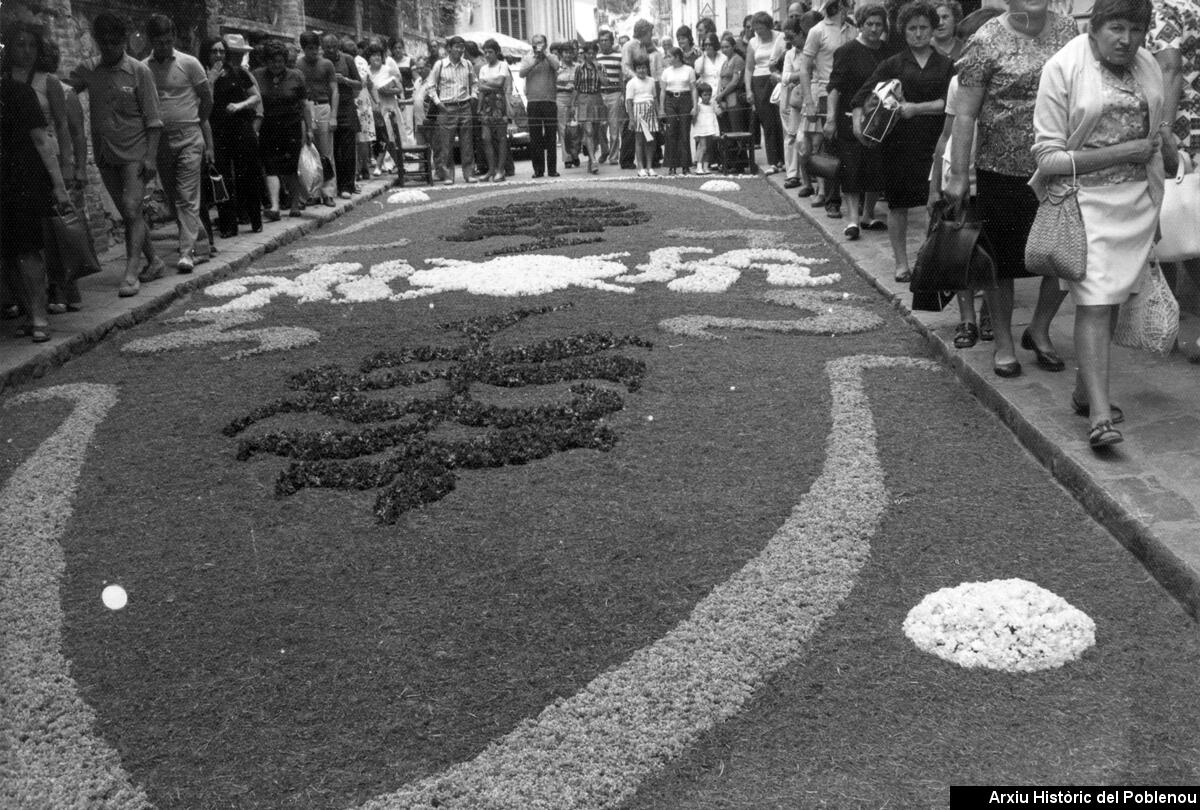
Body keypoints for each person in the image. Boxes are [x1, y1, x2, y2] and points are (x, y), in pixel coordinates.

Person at [1031, 0, 1169, 448]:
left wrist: (1166, 152)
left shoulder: (1145, 63)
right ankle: (1099, 415)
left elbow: (1156, 130)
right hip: (1083, 204)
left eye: (1135, 29)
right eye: (1115, 27)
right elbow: (1048, 156)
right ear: (1094, 28)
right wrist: (1122, 153)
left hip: (1136, 204)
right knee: (1093, 302)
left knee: (1111, 301)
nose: (1126, 39)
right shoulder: (1063, 66)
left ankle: (1083, 389)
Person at [942, 0, 1078, 378]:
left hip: (1058, 168)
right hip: (999, 169)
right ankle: (1004, 343)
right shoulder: (986, 39)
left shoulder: (1069, 32)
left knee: (1063, 255)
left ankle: (1039, 329)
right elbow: (965, 113)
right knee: (1000, 261)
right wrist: (957, 175)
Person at [851, 1, 953, 282]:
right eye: (912, 28)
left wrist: (917, 108)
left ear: (932, 29)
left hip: (936, 143)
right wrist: (859, 121)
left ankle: (928, 258)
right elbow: (862, 93)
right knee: (898, 205)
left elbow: (951, 102)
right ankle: (901, 263)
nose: (918, 34)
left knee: (936, 204)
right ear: (903, 31)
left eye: (923, 28)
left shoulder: (946, 65)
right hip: (898, 145)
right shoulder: (894, 63)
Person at [69, 12, 163, 297]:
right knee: (127, 211)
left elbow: (155, 121)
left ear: (123, 40)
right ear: (97, 42)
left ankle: (131, 270)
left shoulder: (138, 71)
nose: (109, 48)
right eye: (104, 43)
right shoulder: (88, 70)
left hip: (135, 150)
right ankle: (155, 260)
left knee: (132, 207)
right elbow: (63, 89)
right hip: (106, 152)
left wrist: (150, 158)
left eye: (115, 42)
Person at [927, 7, 1004, 346]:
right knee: (962, 250)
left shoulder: (1011, 81)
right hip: (961, 175)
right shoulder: (959, 80)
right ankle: (967, 320)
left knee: (996, 250)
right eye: (967, 44)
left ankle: (990, 314)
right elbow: (946, 136)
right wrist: (935, 183)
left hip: (998, 174)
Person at [1, 24, 71, 341]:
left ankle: (40, 315)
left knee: (27, 249)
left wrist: (59, 185)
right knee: (8, 254)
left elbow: (43, 141)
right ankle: (30, 313)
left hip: (24, 179)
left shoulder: (21, 92)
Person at [142, 14, 214, 274]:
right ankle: (203, 246)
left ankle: (186, 253)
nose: (163, 46)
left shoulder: (190, 63)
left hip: (189, 138)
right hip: (160, 141)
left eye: (167, 40)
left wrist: (196, 123)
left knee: (186, 196)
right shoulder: (143, 68)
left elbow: (207, 99)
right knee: (175, 199)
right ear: (151, 40)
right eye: (158, 42)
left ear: (173, 37)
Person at [1148, 0, 1200, 355]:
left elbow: (1169, 67)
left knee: (1179, 225)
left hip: (1181, 127)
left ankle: (1163, 324)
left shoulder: (1163, 7)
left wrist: (1164, 130)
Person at [826, 3, 889, 239]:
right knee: (851, 168)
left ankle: (868, 215)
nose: (874, 29)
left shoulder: (887, 51)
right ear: (860, 25)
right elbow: (834, 88)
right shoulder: (847, 51)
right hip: (849, 119)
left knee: (876, 167)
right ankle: (852, 220)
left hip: (879, 120)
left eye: (878, 24)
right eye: (869, 24)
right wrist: (830, 120)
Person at [202, 34, 263, 238]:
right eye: (214, 51)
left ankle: (254, 219)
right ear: (207, 54)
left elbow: (256, 96)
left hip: (241, 128)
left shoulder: (238, 73)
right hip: (217, 132)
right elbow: (204, 104)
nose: (218, 55)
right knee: (223, 178)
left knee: (248, 174)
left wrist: (239, 105)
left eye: (221, 51)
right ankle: (229, 225)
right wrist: (210, 81)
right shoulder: (202, 75)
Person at [800, 0, 857, 216]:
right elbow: (804, 68)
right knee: (831, 148)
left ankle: (855, 198)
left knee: (853, 147)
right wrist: (809, 101)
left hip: (853, 95)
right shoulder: (817, 31)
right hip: (827, 93)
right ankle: (833, 200)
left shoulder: (854, 29)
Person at [253, 39, 312, 220]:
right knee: (270, 166)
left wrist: (309, 129)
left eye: (280, 61)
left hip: (291, 127)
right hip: (268, 128)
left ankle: (295, 204)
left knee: (291, 168)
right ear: (266, 61)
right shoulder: (257, 75)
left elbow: (305, 104)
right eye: (272, 61)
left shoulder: (296, 76)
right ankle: (275, 206)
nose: (276, 65)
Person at [429, 36, 478, 185]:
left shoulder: (468, 64)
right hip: (446, 107)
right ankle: (448, 175)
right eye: (456, 46)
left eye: (462, 47)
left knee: (467, 143)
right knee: (446, 144)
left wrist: (473, 96)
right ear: (449, 48)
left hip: (464, 106)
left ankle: (469, 174)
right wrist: (438, 103)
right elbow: (430, 85)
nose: (460, 50)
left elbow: (474, 83)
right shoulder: (440, 65)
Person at [744, 11, 788, 173]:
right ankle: (773, 161)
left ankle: (785, 160)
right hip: (759, 82)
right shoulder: (753, 43)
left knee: (780, 121)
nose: (758, 32)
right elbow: (749, 68)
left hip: (776, 80)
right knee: (767, 122)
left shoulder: (780, 37)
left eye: (761, 28)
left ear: (768, 26)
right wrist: (749, 90)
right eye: (756, 29)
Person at [297, 32, 337, 205]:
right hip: (306, 107)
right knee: (308, 151)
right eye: (309, 49)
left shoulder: (327, 64)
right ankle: (311, 193)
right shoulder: (298, 65)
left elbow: (334, 90)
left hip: (322, 107)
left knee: (326, 152)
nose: (313, 52)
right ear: (303, 49)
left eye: (316, 48)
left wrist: (333, 115)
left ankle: (328, 192)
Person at [320, 34, 361, 199]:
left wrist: (345, 80)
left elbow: (359, 83)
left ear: (338, 47)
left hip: (347, 107)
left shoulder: (347, 60)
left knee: (348, 149)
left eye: (333, 47)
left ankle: (347, 185)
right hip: (329, 108)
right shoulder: (322, 62)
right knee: (333, 149)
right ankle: (335, 185)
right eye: (327, 47)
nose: (330, 50)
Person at [620, 20, 663, 170]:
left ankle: (649, 159)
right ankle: (626, 159)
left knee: (648, 125)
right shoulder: (629, 46)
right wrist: (637, 79)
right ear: (643, 32)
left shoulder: (646, 47)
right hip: (633, 86)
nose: (651, 36)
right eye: (650, 33)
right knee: (631, 125)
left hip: (646, 87)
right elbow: (625, 66)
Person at [520, 34, 560, 178]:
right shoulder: (527, 58)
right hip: (533, 102)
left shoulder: (552, 57)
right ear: (531, 45)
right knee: (535, 137)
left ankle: (552, 169)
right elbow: (521, 73)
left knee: (551, 136)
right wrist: (535, 62)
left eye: (541, 42)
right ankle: (538, 169)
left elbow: (556, 66)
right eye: (535, 43)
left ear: (545, 43)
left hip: (549, 101)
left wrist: (545, 54)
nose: (538, 45)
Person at [477, 39, 512, 183]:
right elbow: (480, 88)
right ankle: (491, 169)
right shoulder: (483, 69)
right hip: (485, 105)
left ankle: (500, 169)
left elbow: (500, 84)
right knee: (486, 138)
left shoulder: (502, 65)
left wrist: (486, 85)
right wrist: (479, 107)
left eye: (490, 52)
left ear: (496, 52)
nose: (487, 55)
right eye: (485, 52)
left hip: (499, 103)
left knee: (501, 138)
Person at [571, 40, 609, 174]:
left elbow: (605, 82)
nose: (591, 55)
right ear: (585, 54)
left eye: (593, 53)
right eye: (588, 53)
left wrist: (598, 70)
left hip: (596, 98)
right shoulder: (579, 68)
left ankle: (591, 158)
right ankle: (593, 160)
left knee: (596, 131)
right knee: (588, 131)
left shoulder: (601, 67)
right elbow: (576, 87)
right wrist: (572, 105)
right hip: (583, 99)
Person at [366, 44, 403, 177]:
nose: (376, 57)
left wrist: (388, 91)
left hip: (389, 107)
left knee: (390, 137)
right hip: (374, 109)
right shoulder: (367, 71)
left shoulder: (388, 69)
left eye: (378, 55)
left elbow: (399, 88)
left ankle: (395, 164)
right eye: (373, 55)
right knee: (378, 139)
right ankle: (382, 164)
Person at [659, 47, 698, 175]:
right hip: (671, 99)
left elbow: (693, 89)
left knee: (684, 131)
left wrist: (695, 106)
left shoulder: (689, 70)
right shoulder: (666, 71)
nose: (668, 59)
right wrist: (661, 108)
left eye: (670, 56)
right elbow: (663, 91)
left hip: (685, 99)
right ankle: (672, 165)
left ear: (677, 57)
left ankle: (686, 165)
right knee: (671, 132)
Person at [780, 20, 807, 190]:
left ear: (801, 33)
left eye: (792, 37)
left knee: (805, 137)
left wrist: (795, 76)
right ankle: (792, 174)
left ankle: (808, 176)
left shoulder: (811, 50)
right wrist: (803, 74)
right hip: (796, 99)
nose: (790, 42)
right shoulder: (790, 54)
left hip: (810, 95)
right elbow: (785, 77)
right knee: (792, 135)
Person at [625, 58, 660, 177]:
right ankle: (640, 167)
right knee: (639, 141)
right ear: (635, 70)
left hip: (651, 111)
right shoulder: (631, 82)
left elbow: (654, 98)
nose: (641, 70)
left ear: (647, 68)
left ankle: (649, 167)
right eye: (639, 68)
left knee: (651, 140)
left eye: (644, 67)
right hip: (638, 112)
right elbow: (629, 101)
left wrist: (658, 112)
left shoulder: (651, 81)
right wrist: (631, 118)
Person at [596, 29, 625, 164]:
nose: (603, 42)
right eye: (601, 40)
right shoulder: (596, 58)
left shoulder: (619, 56)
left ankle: (613, 156)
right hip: (600, 94)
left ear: (611, 41)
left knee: (614, 127)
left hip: (614, 93)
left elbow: (621, 77)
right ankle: (604, 151)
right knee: (601, 127)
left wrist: (623, 94)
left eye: (606, 40)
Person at [554, 42, 581, 169]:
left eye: (570, 52)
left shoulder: (578, 67)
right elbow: (551, 84)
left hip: (576, 99)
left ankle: (575, 154)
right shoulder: (556, 67)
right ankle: (567, 158)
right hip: (561, 98)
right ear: (561, 54)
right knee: (563, 129)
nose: (568, 55)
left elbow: (580, 84)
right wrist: (564, 86)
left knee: (576, 129)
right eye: (565, 52)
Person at [693, 82, 719, 173]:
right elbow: (694, 120)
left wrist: (716, 130)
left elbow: (715, 117)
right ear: (700, 96)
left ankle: (705, 166)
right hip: (701, 130)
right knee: (702, 147)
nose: (707, 97)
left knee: (708, 147)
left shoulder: (712, 105)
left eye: (709, 95)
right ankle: (699, 166)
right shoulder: (699, 106)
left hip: (710, 129)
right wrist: (695, 133)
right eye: (705, 95)